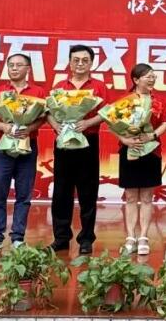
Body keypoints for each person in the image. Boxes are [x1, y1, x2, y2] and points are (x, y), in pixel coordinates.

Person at [47, 45, 110, 255]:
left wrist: (88, 122)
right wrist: (56, 126)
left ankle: (86, 238)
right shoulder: (60, 86)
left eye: (85, 60)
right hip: (63, 142)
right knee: (61, 191)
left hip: (88, 141)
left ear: (91, 63)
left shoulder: (98, 86)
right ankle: (61, 237)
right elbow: (48, 111)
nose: (80, 64)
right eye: (76, 60)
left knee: (88, 192)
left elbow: (106, 112)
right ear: (70, 62)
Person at [0, 53, 48, 253]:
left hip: (28, 146)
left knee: (24, 194)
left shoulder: (38, 92)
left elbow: (43, 117)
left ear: (28, 69)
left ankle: (18, 237)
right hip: (2, 147)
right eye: (11, 65)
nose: (14, 68)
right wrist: (4, 127)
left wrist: (29, 128)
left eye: (19, 65)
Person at [115, 63, 166, 256]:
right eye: (148, 76)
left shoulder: (158, 101)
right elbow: (114, 123)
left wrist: (152, 135)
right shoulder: (125, 101)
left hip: (151, 151)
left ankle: (144, 236)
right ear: (136, 80)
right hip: (129, 150)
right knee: (130, 196)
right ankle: (130, 237)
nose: (152, 79)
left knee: (146, 197)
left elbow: (165, 123)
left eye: (153, 76)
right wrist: (124, 139)